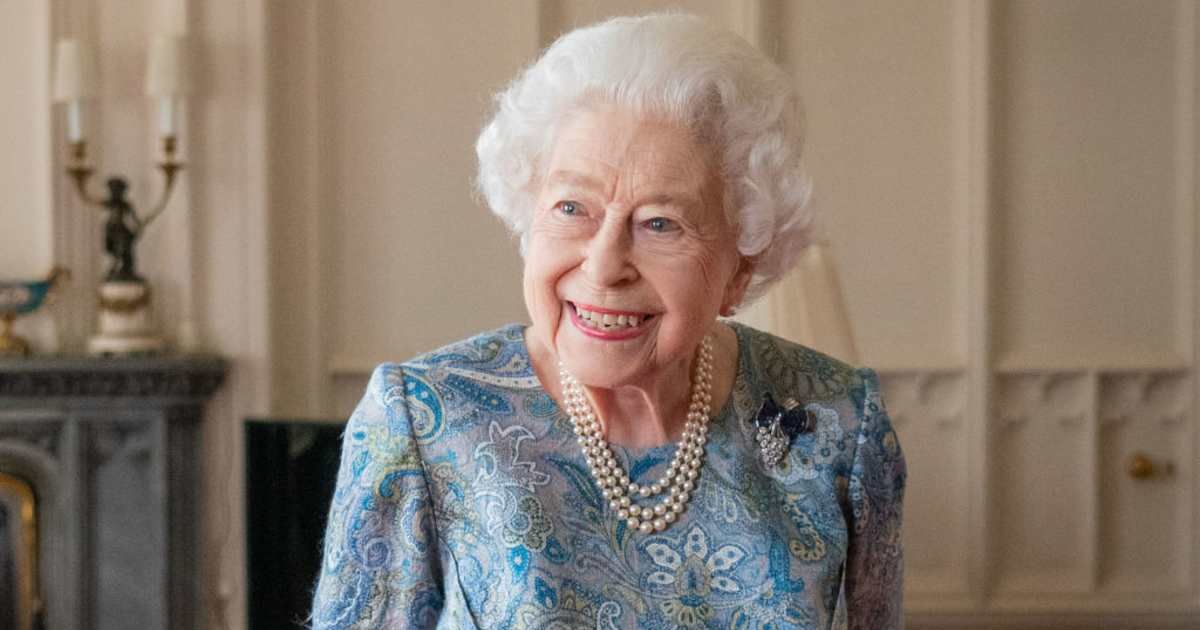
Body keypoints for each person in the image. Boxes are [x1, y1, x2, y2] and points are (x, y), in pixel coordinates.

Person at [311, 13, 905, 630]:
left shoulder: (838, 420)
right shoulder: (424, 422)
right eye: (572, 208)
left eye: (660, 223)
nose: (603, 265)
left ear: (739, 267)